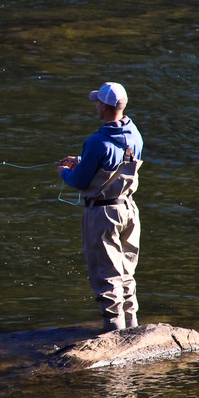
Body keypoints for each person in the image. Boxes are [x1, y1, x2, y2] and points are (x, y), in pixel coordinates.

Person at [57, 82, 144, 332]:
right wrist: (82, 160)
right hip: (129, 210)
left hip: (103, 214)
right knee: (126, 273)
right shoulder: (135, 134)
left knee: (106, 276)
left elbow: (81, 180)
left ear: (104, 107)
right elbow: (118, 159)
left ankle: (114, 334)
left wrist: (65, 172)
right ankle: (133, 329)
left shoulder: (96, 141)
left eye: (97, 101)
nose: (95, 104)